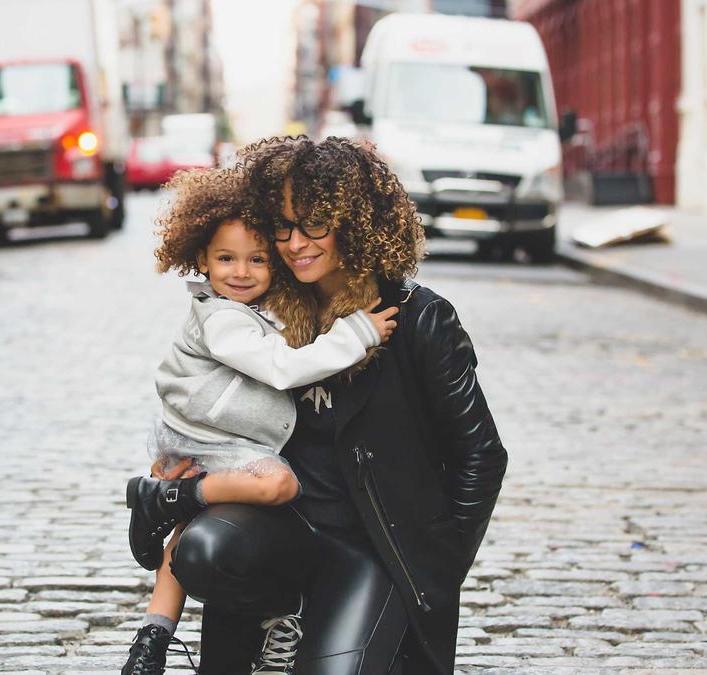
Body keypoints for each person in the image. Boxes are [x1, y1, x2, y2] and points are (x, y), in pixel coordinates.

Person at [168, 137, 509, 674]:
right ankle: (278, 619)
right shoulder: (263, 311)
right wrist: (181, 466)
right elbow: (205, 397)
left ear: (353, 222)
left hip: (374, 549)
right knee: (204, 549)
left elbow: (481, 455)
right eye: (281, 226)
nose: (294, 243)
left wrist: (435, 569)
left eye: (313, 225)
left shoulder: (419, 320)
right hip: (284, 531)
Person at [122, 166, 400, 675]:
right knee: (277, 483)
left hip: (212, 435)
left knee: (188, 529)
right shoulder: (223, 317)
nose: (242, 272)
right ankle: (168, 503)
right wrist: (357, 332)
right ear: (200, 259)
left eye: (257, 260)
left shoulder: (254, 309)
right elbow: (281, 367)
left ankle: (153, 635)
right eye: (226, 259)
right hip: (216, 438)